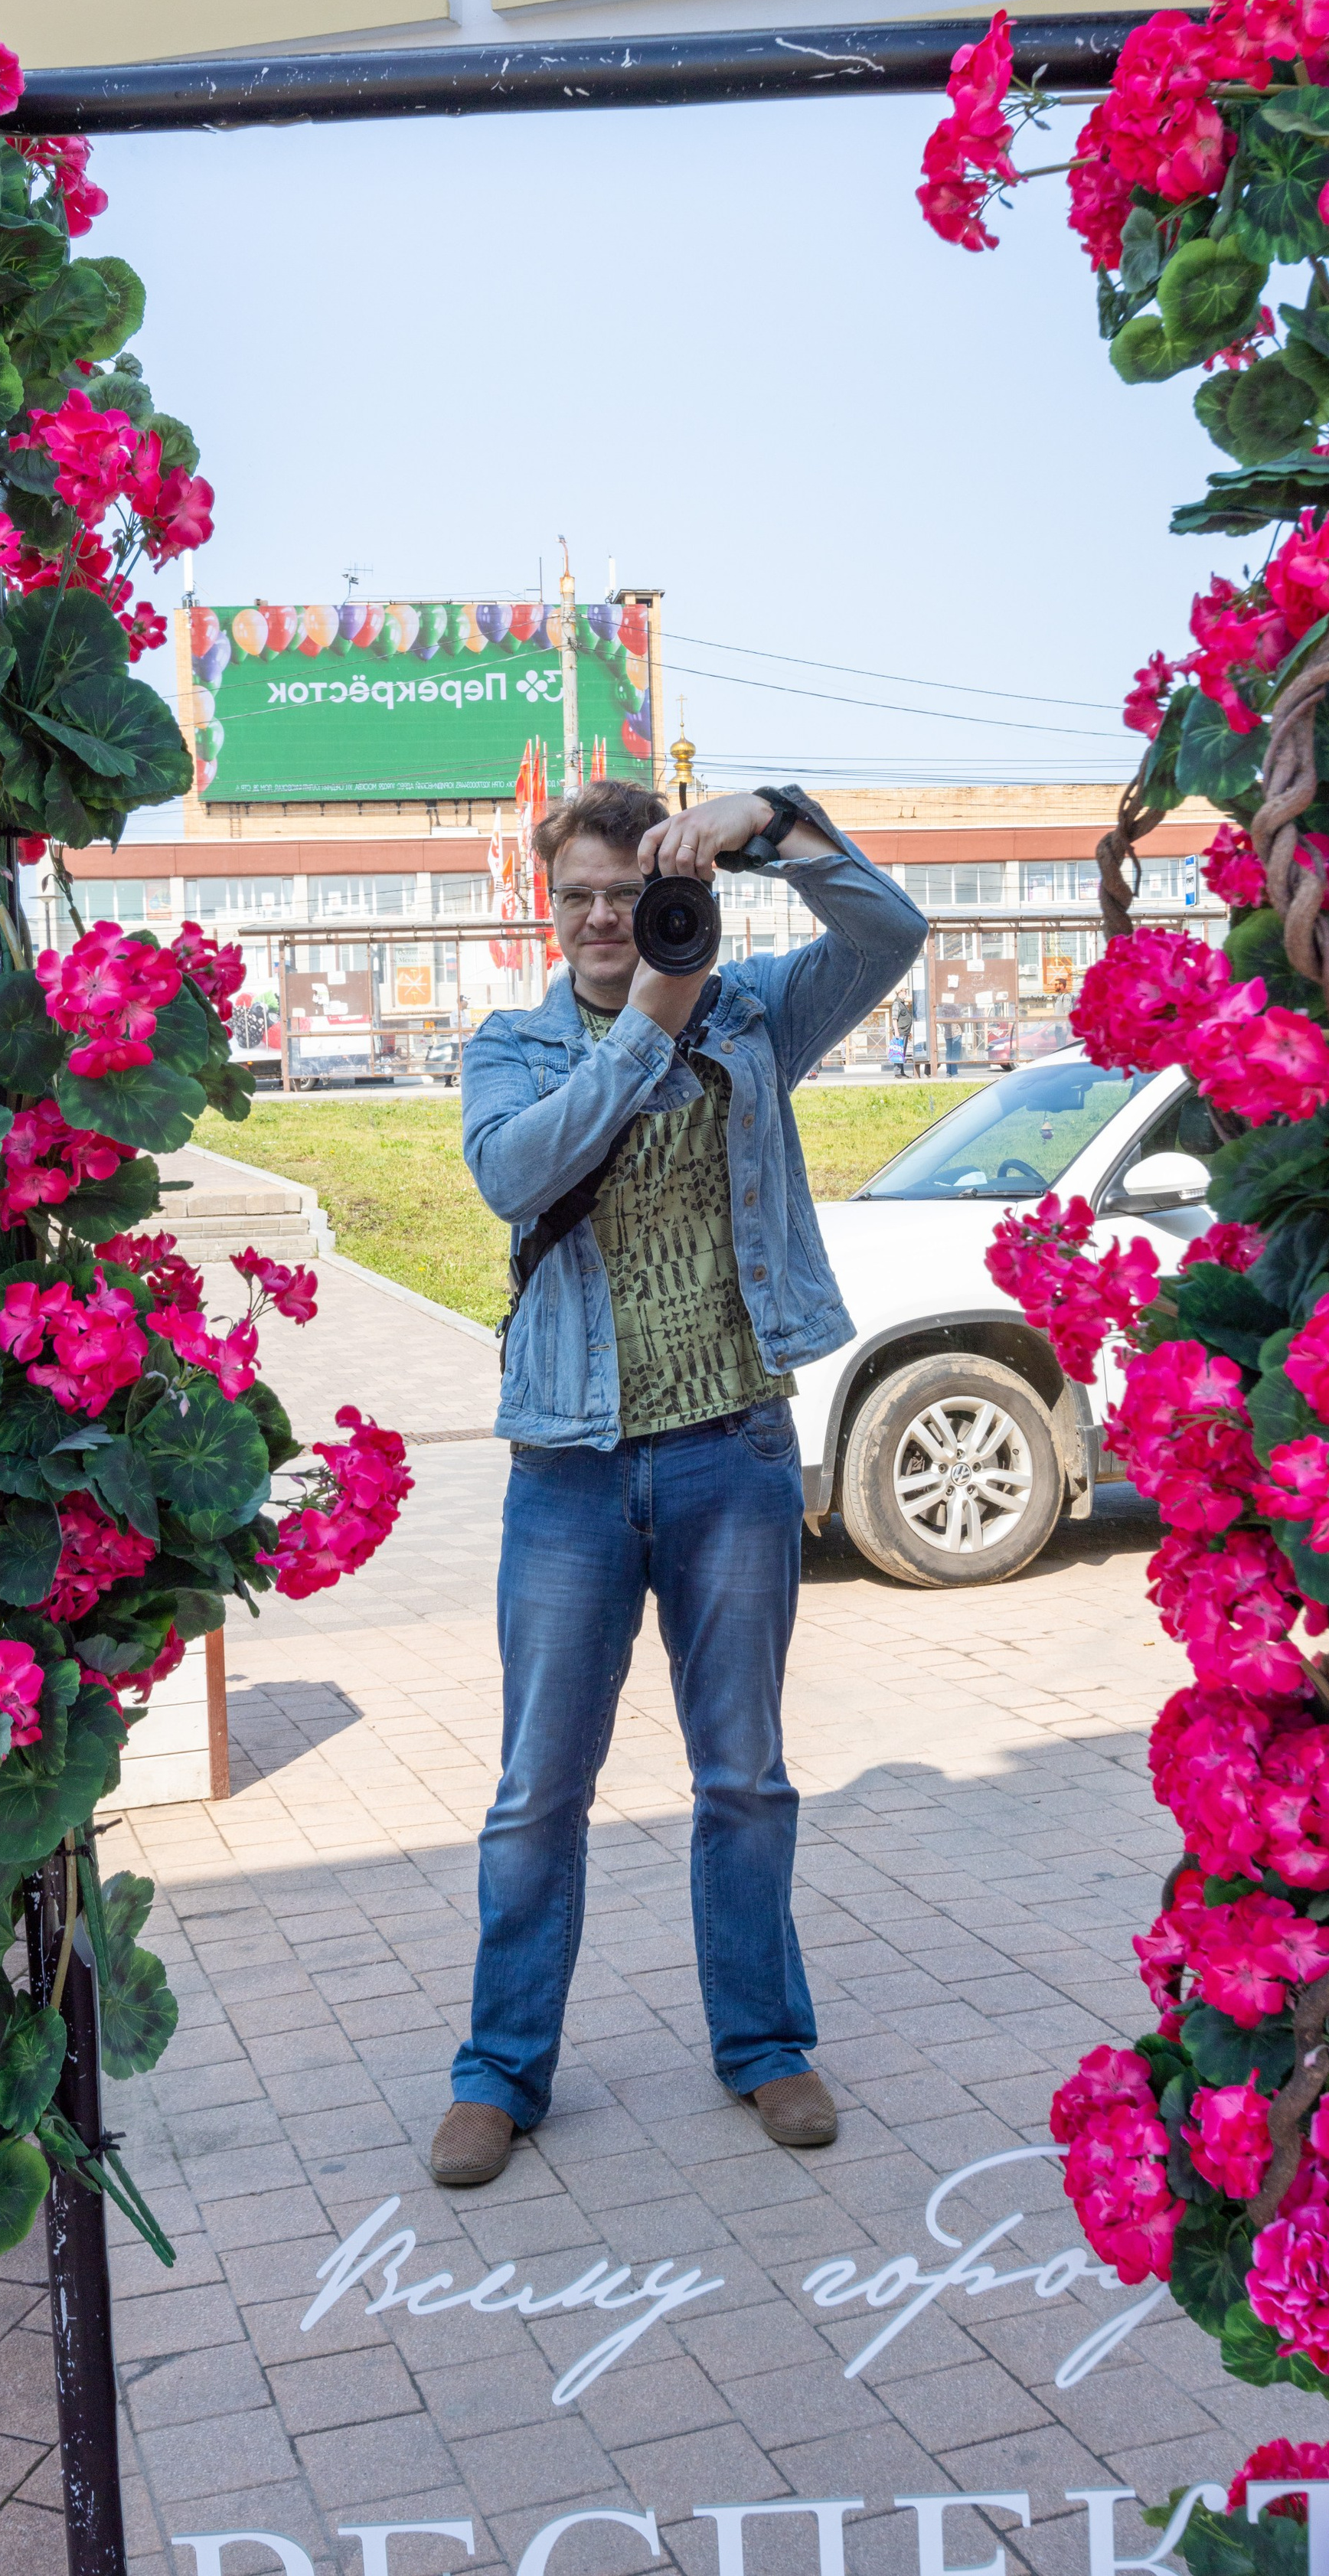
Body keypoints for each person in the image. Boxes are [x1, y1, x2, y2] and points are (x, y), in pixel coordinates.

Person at [429, 779, 926, 2186]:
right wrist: (646, 1017)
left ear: (673, 891)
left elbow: (892, 932)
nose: (605, 918)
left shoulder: (756, 1010)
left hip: (735, 1456)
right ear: (552, 905)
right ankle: (500, 2071)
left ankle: (766, 2046)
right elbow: (519, 1175)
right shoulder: (513, 1045)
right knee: (538, 1789)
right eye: (580, 895)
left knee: (745, 1777)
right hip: (569, 1472)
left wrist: (765, 821)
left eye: (628, 892)